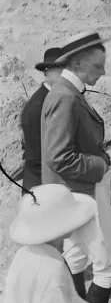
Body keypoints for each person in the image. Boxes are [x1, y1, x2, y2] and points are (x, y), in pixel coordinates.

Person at [41, 31, 111, 303]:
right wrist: (100, 165)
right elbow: (58, 156)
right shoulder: (65, 96)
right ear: (76, 62)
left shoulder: (66, 91)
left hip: (71, 194)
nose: (102, 72)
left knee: (75, 256)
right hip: (80, 194)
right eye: (97, 66)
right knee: (109, 266)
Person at [20, 47, 66, 193]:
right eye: (61, 70)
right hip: (40, 187)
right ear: (48, 72)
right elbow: (38, 157)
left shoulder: (56, 98)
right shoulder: (37, 107)